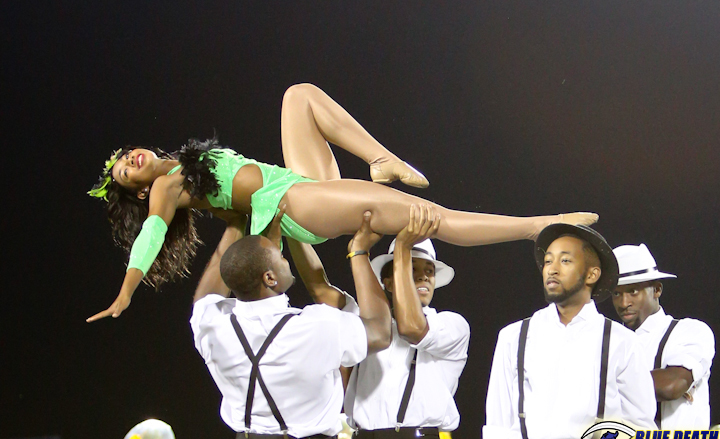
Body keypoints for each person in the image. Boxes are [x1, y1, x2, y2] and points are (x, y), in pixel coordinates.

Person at [86, 83, 598, 322]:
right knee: (433, 219)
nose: (130, 161)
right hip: (297, 202)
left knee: (298, 96)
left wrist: (317, 283)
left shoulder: (186, 167)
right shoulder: (166, 188)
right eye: (125, 172)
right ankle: (539, 225)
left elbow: (252, 221)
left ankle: (381, 159)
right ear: (139, 189)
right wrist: (127, 290)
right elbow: (153, 233)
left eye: (126, 157)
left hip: (295, 185)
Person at [190, 207, 392, 439]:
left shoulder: (213, 326)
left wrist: (238, 225)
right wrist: (359, 252)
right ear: (269, 278)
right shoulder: (314, 325)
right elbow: (380, 332)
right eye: (281, 257)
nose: (285, 260)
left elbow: (208, 293)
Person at [483, 224, 656, 439]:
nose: (552, 269)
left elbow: (640, 429)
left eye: (565, 260)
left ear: (592, 274)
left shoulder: (622, 341)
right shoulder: (514, 336)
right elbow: (497, 429)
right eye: (548, 261)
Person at [342, 204, 470, 439]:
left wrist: (402, 246)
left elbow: (412, 329)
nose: (424, 276)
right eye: (412, 268)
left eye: (429, 271)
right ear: (389, 282)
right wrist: (358, 251)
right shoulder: (366, 322)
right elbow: (321, 289)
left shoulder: (451, 325)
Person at [611, 243, 715, 430]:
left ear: (657, 289)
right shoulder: (611, 341)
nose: (624, 303)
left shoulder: (689, 330)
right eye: (616, 293)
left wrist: (604, 384)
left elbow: (671, 386)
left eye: (633, 291)